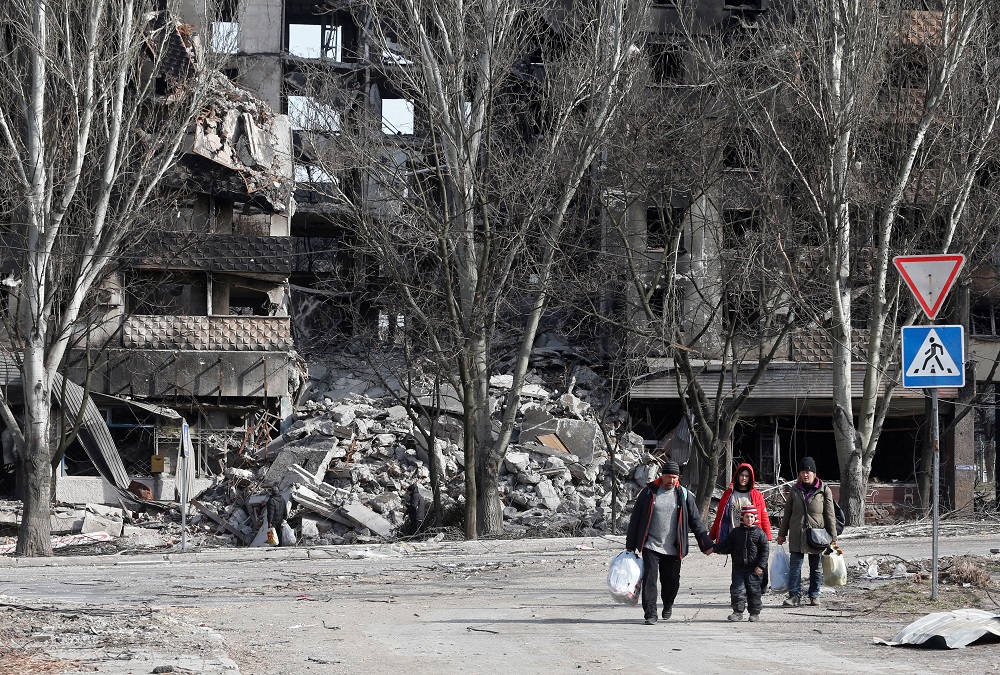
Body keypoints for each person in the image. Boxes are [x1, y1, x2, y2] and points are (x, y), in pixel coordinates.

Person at [626, 460, 714, 625]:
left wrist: (706, 544)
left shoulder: (684, 495)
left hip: (674, 547)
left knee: (671, 582)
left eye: (674, 477)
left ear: (678, 478)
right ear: (662, 476)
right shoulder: (649, 492)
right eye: (668, 477)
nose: (671, 480)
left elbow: (696, 522)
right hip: (650, 545)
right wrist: (630, 546)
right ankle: (650, 614)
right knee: (650, 580)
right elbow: (635, 520)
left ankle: (668, 603)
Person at [776, 457, 837, 607]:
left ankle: (814, 595)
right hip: (797, 534)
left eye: (808, 471)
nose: (805, 475)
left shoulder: (824, 490)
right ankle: (794, 596)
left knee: (816, 568)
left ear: (814, 473)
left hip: (817, 535)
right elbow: (787, 514)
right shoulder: (794, 490)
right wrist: (782, 534)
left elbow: (830, 514)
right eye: (803, 471)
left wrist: (833, 536)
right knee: (795, 566)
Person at [712, 504, 769, 622]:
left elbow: (765, 552)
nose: (749, 519)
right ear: (742, 518)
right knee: (737, 590)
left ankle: (754, 613)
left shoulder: (760, 533)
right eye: (747, 517)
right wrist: (712, 548)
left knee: (754, 591)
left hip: (754, 569)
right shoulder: (736, 532)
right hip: (738, 568)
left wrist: (761, 566)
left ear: (755, 518)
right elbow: (725, 544)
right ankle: (737, 612)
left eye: (752, 517)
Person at [709, 462, 773, 544]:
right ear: (737, 476)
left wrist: (767, 537)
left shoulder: (757, 495)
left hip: (751, 538)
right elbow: (719, 517)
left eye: (747, 476)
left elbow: (764, 517)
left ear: (750, 478)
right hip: (733, 537)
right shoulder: (728, 494)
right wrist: (711, 536)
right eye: (742, 475)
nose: (744, 478)